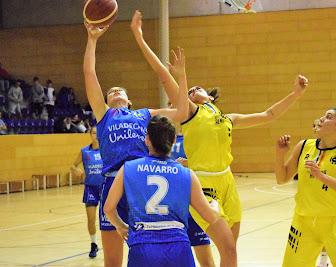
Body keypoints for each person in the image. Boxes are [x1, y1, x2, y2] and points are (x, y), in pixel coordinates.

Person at [132, 9, 308, 256]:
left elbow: (269, 115)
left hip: (228, 182)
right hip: (203, 184)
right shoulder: (192, 113)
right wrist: (140, 38)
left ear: (210, 96)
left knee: (230, 250)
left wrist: (296, 94)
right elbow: (163, 75)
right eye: (188, 91)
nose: (191, 91)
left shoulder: (227, 118)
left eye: (195, 88)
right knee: (228, 249)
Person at [83, 13, 189, 267]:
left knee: (145, 255)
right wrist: (92, 40)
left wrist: (182, 76)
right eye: (111, 91)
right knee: (113, 262)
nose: (115, 90)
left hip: (138, 181)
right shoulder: (104, 115)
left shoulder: (144, 114)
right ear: (106, 101)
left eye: (120, 90)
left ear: (129, 101)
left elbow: (182, 111)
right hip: (111, 185)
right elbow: (89, 73)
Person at [104, 115, 237, 267]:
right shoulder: (186, 174)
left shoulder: (128, 168)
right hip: (178, 247)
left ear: (147, 139)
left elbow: (108, 208)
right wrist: (214, 205)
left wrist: (121, 226)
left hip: (142, 246)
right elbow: (209, 216)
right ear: (174, 140)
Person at [275, 108, 336, 267]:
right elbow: (282, 179)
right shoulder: (303, 146)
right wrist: (280, 154)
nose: (322, 119)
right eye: (323, 115)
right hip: (303, 222)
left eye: (328, 117)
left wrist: (321, 176)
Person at [169, 102, 214, 267]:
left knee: (206, 261)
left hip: (193, 203)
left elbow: (207, 162)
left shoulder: (196, 136)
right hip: (171, 206)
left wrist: (188, 163)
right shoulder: (162, 138)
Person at [71, 126, 103, 258]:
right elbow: (72, 165)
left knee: (109, 219)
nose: (95, 135)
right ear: (90, 135)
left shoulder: (106, 150)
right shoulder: (84, 151)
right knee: (91, 219)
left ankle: (113, 242)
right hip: (90, 188)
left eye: (97, 133)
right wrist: (76, 171)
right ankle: (94, 244)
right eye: (93, 133)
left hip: (105, 187)